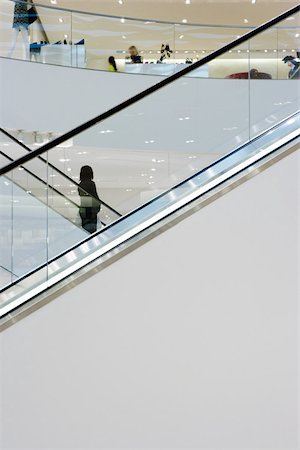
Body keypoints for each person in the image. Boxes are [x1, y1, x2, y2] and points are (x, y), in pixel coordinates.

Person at [78, 166, 101, 234]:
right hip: (91, 210)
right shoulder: (91, 183)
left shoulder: (80, 184)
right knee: (92, 232)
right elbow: (94, 196)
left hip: (83, 209)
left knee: (85, 231)